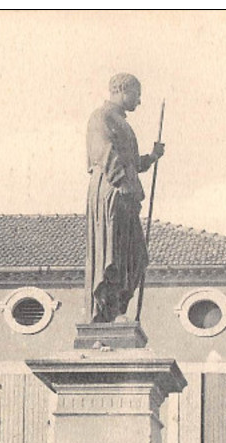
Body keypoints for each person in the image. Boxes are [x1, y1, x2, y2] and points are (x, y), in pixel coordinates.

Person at [85, 73, 165, 325]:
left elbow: (131, 163)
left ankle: (118, 307)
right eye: (137, 94)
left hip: (125, 194)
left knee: (135, 255)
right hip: (112, 192)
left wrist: (151, 157)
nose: (139, 101)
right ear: (121, 89)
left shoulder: (121, 122)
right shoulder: (102, 117)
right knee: (114, 251)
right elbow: (104, 153)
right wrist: (123, 183)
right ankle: (109, 310)